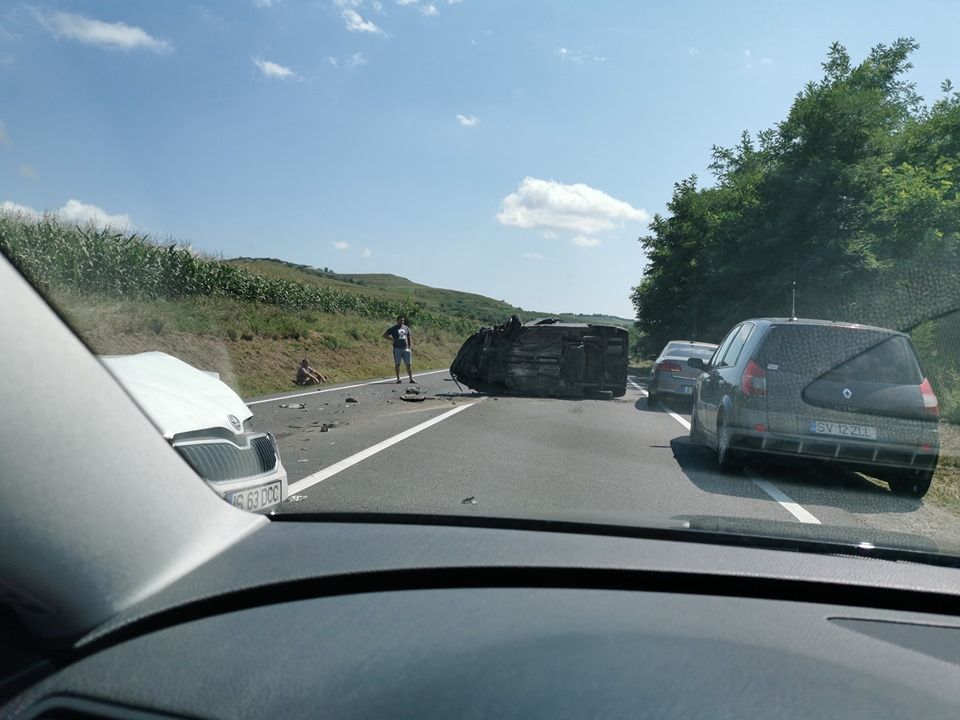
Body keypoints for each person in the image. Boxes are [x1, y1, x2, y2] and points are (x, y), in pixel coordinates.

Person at [383, 315, 415, 383]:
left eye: (403, 320)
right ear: (397, 321)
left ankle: (411, 379)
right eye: (400, 320)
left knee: (408, 364)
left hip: (405, 348)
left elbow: (409, 337)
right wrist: (391, 339)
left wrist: (410, 346)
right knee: (397, 364)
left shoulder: (406, 328)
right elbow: (385, 335)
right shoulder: (393, 328)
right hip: (397, 348)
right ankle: (398, 379)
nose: (402, 322)